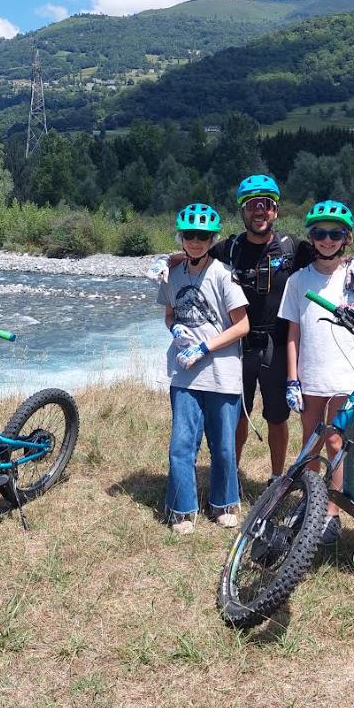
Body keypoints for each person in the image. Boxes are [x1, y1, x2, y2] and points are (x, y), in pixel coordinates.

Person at [149, 175, 315, 485]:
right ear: (243, 212)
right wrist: (164, 260)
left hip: (277, 345)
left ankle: (277, 478)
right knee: (237, 413)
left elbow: (329, 256)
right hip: (237, 345)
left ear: (276, 211)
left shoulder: (294, 247)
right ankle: (231, 477)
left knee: (277, 417)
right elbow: (195, 251)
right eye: (252, 205)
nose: (259, 211)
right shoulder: (231, 247)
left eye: (266, 205)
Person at [278, 200, 354, 545]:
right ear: (311, 237)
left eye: (335, 233)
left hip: (347, 374)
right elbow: (293, 333)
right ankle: (311, 500)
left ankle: (332, 513)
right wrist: (292, 378)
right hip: (311, 374)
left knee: (337, 440)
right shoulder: (297, 281)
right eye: (320, 234)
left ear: (346, 238)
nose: (327, 240)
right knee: (311, 441)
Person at [157, 203, 250, 535]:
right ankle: (182, 508)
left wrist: (204, 347)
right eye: (190, 235)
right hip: (183, 374)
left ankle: (224, 503)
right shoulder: (172, 274)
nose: (196, 241)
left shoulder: (224, 275)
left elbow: (242, 326)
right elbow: (170, 314)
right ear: (181, 237)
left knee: (223, 445)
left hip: (222, 374)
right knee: (182, 444)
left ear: (213, 239)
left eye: (203, 236)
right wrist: (175, 329)